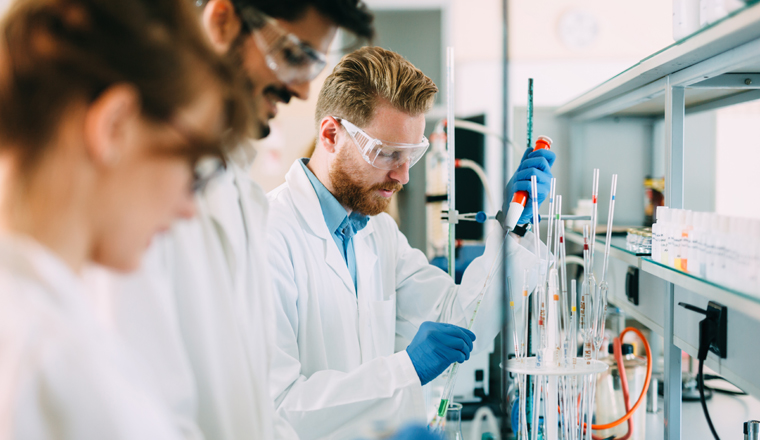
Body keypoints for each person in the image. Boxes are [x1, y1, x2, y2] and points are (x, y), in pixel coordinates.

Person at [84, 1, 375, 439]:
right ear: (222, 20)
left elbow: (251, 408)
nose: (301, 90)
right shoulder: (137, 183)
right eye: (294, 56)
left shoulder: (240, 191)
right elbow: (135, 412)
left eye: (315, 63)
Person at [266, 46, 556, 439]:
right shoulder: (267, 235)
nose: (402, 177)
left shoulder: (378, 232)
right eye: (386, 154)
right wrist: (407, 368)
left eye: (411, 156)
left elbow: (460, 321)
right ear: (332, 135)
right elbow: (276, 409)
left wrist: (513, 227)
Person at [0, 0, 250, 437]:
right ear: (115, 125)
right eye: (192, 166)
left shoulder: (43, 321)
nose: (189, 208)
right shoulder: (46, 361)